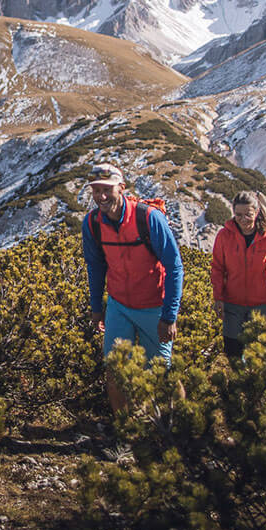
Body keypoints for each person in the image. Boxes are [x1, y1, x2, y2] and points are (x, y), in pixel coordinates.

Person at [82, 161, 184, 412]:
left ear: (122, 188)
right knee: (115, 371)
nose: (101, 196)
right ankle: (125, 431)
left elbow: (174, 267)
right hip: (119, 306)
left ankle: (183, 424)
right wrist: (97, 309)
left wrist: (169, 316)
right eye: (96, 190)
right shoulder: (92, 223)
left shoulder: (149, 219)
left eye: (107, 189)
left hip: (154, 307)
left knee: (161, 372)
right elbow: (95, 267)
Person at [211, 190, 266, 357]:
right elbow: (217, 269)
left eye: (248, 214)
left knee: (258, 355)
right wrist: (218, 298)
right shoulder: (224, 236)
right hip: (232, 304)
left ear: (257, 212)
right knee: (233, 353)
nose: (243, 219)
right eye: (238, 214)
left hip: (262, 306)